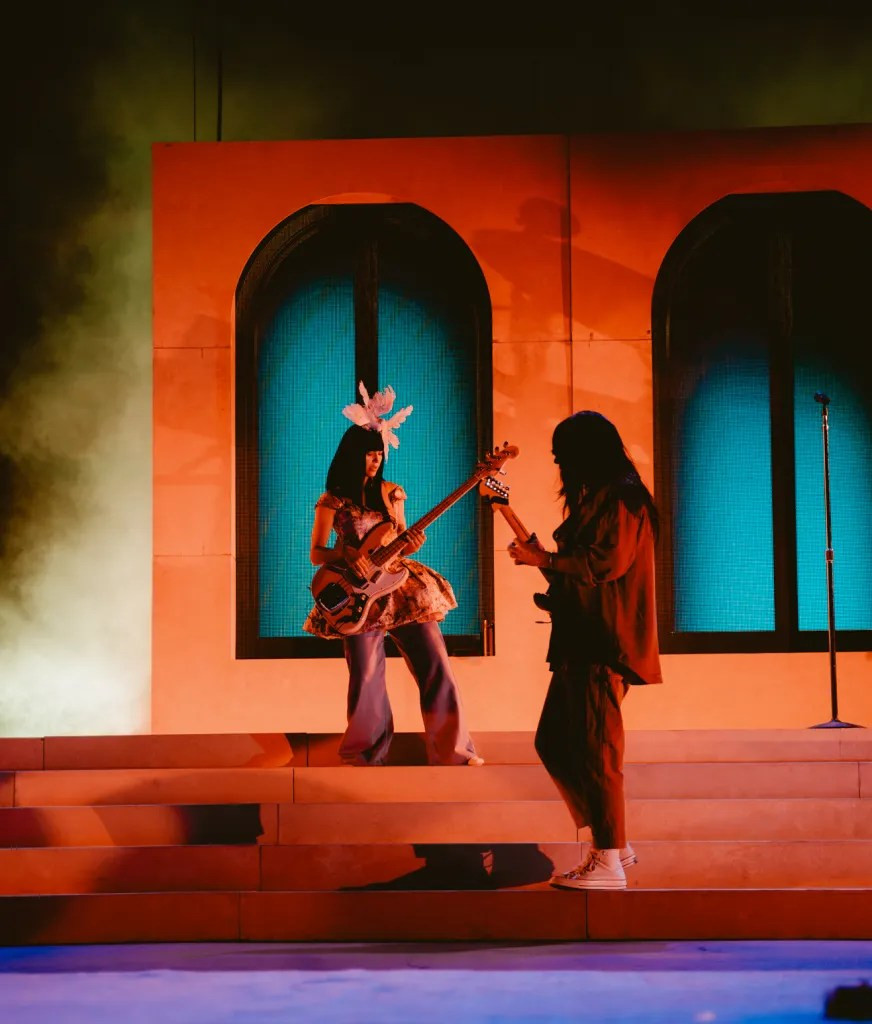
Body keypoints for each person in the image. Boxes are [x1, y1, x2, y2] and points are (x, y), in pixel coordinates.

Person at [508, 411, 662, 890]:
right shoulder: (596, 500)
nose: (560, 467)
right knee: (553, 740)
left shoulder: (622, 499)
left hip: (603, 641)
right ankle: (610, 839)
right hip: (579, 638)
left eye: (564, 457)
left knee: (599, 750)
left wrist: (547, 558)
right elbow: (571, 573)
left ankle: (610, 856)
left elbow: (606, 564)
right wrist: (542, 558)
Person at [303, 383, 483, 768]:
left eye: (379, 454)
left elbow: (399, 536)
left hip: (401, 585)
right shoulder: (332, 500)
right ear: (352, 455)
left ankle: (454, 750)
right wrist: (347, 554)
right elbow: (317, 553)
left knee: (435, 662)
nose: (375, 461)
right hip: (357, 592)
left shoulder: (393, 493)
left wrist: (410, 544)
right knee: (366, 675)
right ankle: (365, 754)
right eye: (369, 454)